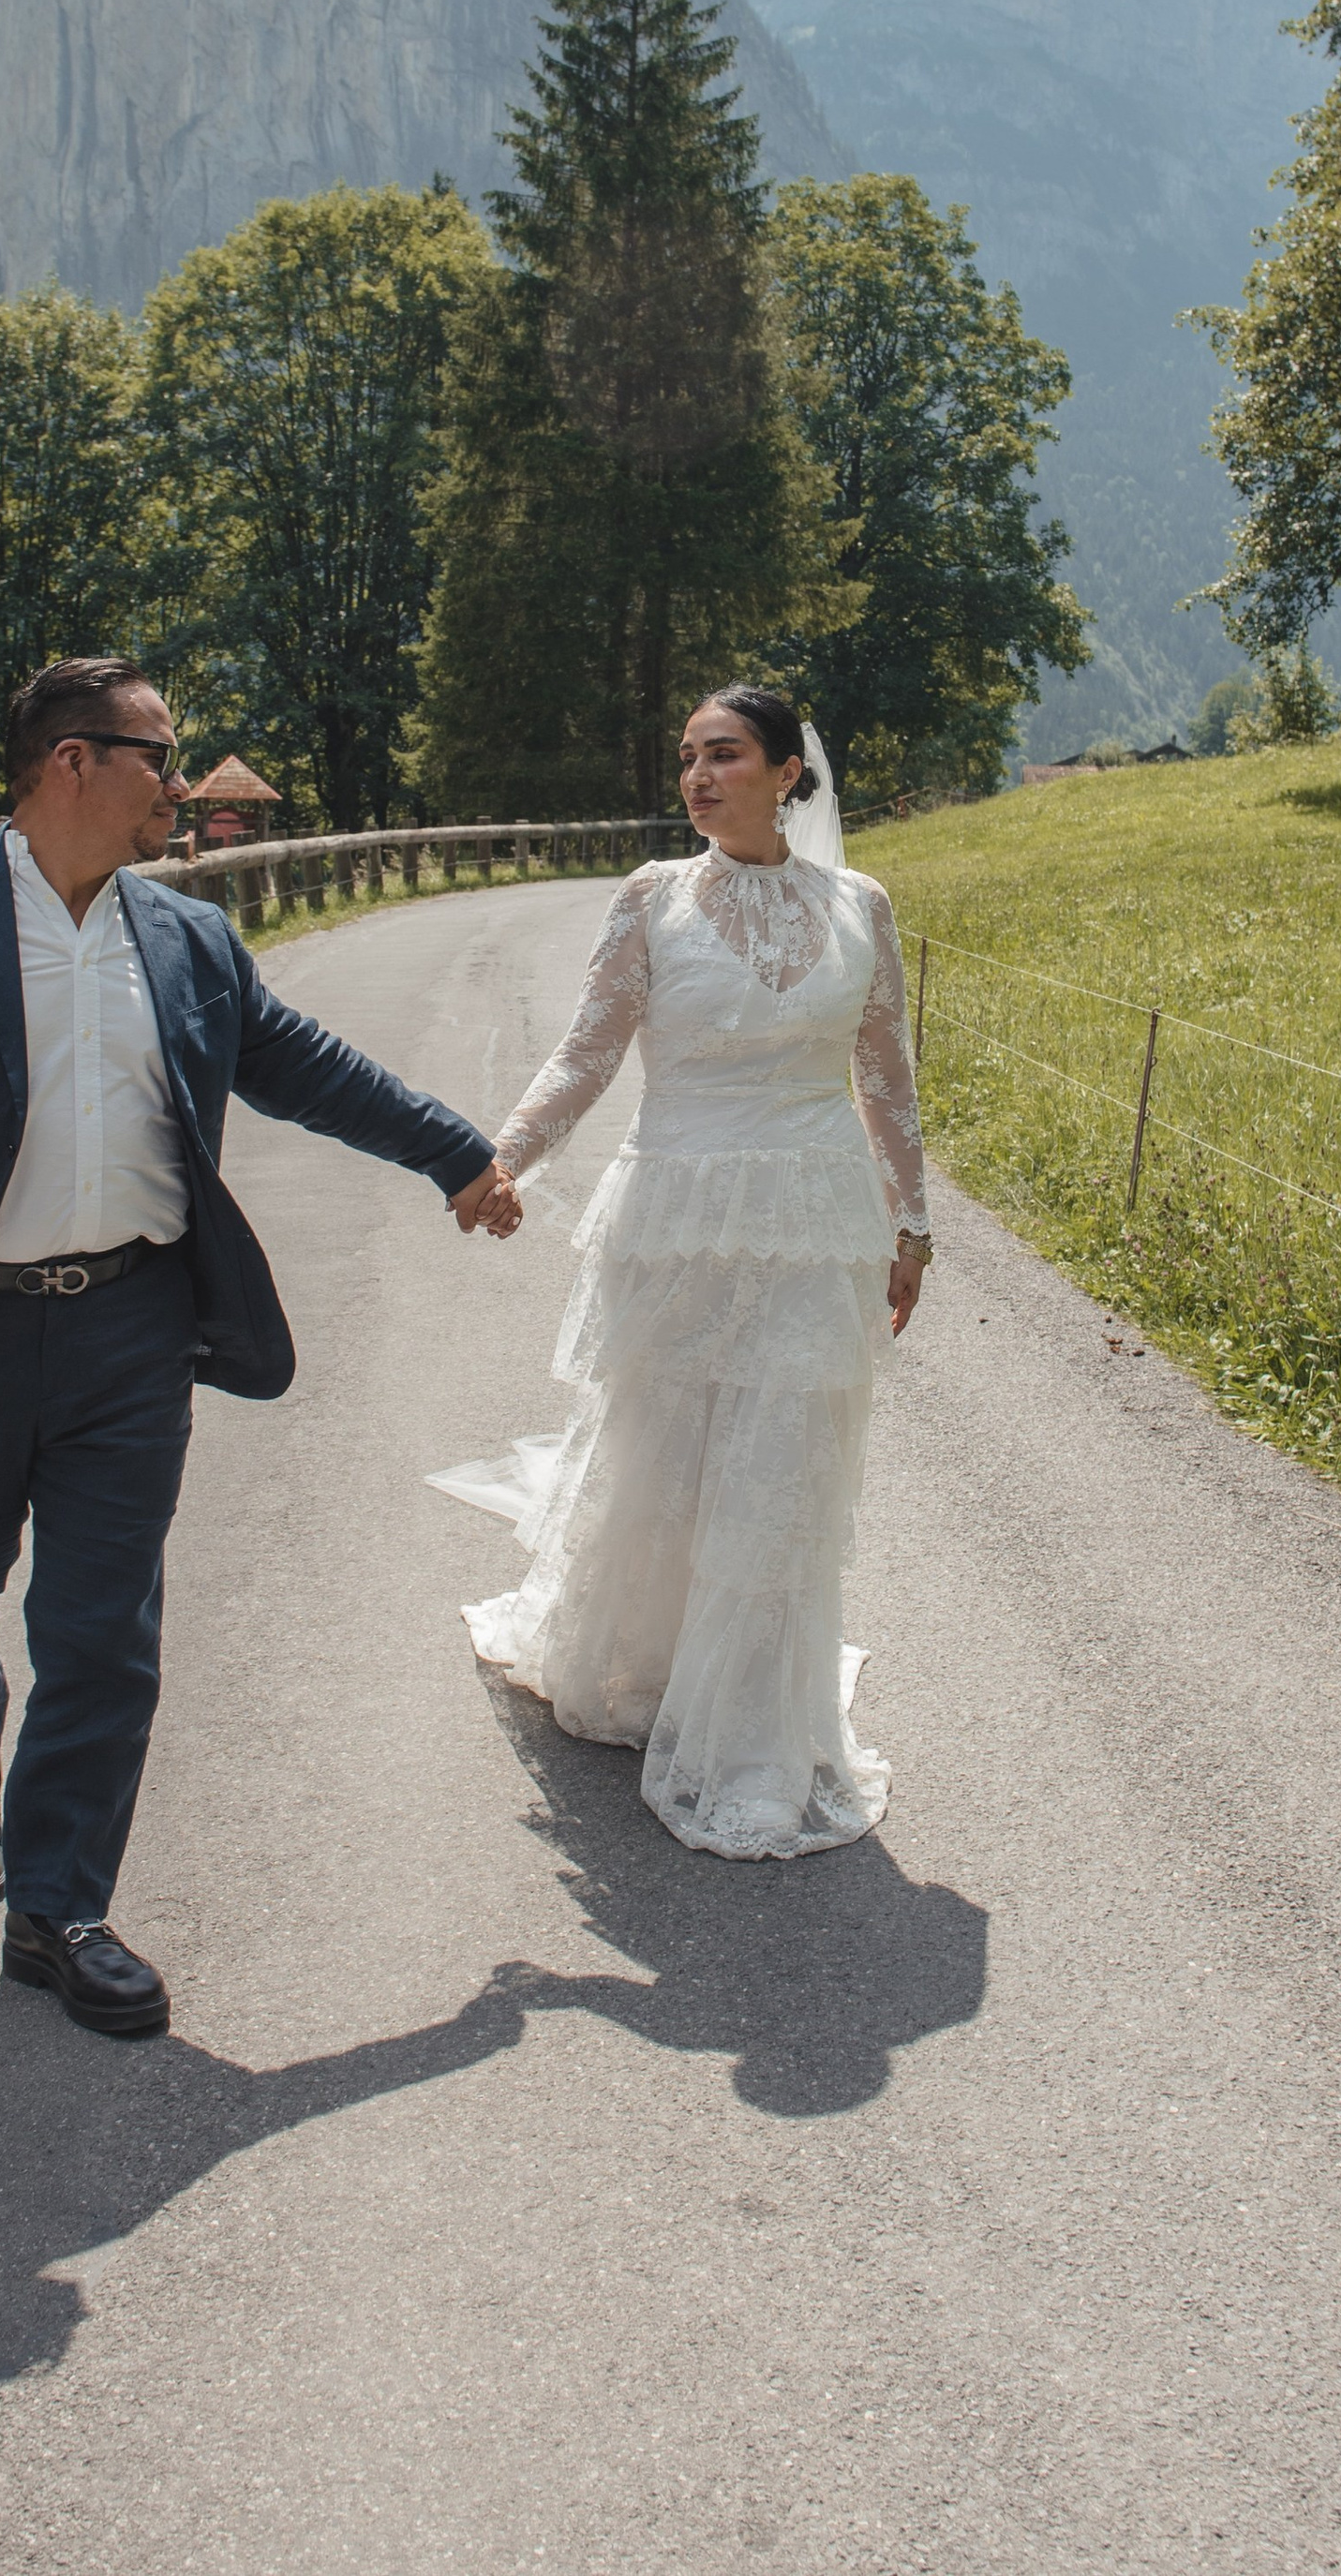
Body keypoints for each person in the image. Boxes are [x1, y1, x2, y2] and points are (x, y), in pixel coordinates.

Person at [0, 655, 522, 2038]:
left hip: (129, 1326)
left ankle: (59, 1908)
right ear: (73, 761)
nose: (181, 787)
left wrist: (456, 1152)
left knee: (102, 1627)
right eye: (160, 756)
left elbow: (304, 1063)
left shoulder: (183, 937)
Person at [430, 685, 931, 1860]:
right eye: (688, 760)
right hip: (674, 1218)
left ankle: (757, 1737)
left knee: (781, 1473)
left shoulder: (861, 903)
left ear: (787, 773)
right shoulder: (654, 898)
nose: (699, 777)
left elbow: (886, 1078)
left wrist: (912, 1225)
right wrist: (499, 1158)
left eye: (725, 756)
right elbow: (587, 1051)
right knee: (663, 1449)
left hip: (818, 1222)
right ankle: (645, 1662)